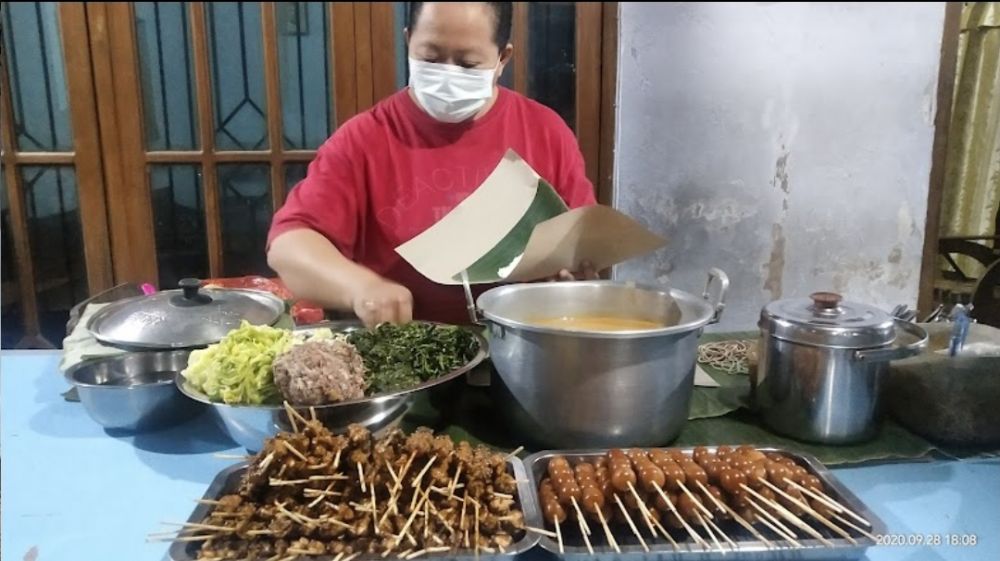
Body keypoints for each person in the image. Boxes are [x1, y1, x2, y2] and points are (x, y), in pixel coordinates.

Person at [267, 1, 597, 328]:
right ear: (408, 39)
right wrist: (360, 287)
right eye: (430, 58)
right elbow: (289, 244)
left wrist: (573, 278)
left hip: (522, 348)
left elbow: (582, 241)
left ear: (502, 58)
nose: (447, 75)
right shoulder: (366, 138)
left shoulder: (545, 131)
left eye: (468, 64)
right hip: (404, 352)